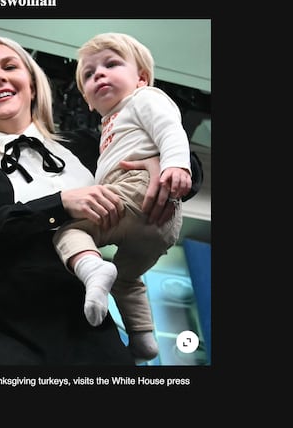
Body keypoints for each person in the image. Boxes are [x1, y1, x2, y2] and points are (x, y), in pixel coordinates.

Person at [0, 34, 201, 365]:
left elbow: (176, 153)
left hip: (92, 330)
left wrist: (158, 163)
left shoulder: (84, 144)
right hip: (8, 332)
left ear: (32, 86)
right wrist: (59, 205)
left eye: (9, 67)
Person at [51, 32, 192, 362]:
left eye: (111, 64)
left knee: (67, 230)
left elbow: (170, 129)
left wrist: (176, 165)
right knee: (126, 279)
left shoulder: (144, 99)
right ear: (87, 101)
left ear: (141, 78)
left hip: (137, 191)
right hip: (160, 224)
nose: (99, 73)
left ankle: (92, 269)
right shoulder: (109, 125)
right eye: (89, 74)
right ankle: (143, 339)